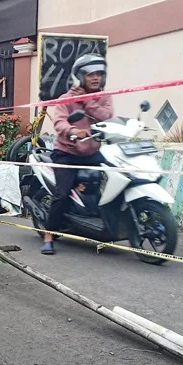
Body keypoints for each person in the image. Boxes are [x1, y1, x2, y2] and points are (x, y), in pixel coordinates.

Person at [42, 54, 114, 255]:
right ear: (81, 76)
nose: (95, 78)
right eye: (90, 74)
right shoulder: (66, 99)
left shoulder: (104, 96)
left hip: (92, 151)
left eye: (99, 74)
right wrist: (73, 132)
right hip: (67, 152)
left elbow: (106, 116)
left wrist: (86, 101)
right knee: (61, 194)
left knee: (114, 178)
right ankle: (49, 236)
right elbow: (59, 122)